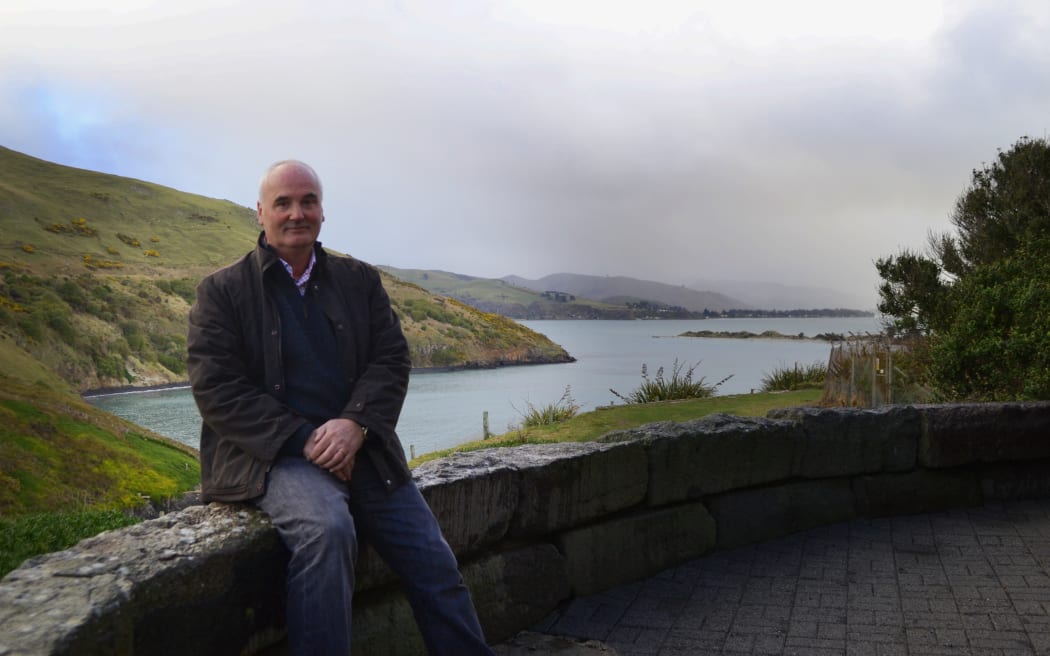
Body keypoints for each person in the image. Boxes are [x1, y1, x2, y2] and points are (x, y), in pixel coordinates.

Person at [186, 160, 494, 655]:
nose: (296, 213)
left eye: (308, 201)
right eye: (283, 203)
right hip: (275, 459)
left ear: (322, 212)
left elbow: (391, 359)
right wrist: (305, 439)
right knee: (327, 532)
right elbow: (217, 389)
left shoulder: (359, 280)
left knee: (433, 560)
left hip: (363, 449)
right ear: (260, 212)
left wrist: (355, 425)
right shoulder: (221, 292)